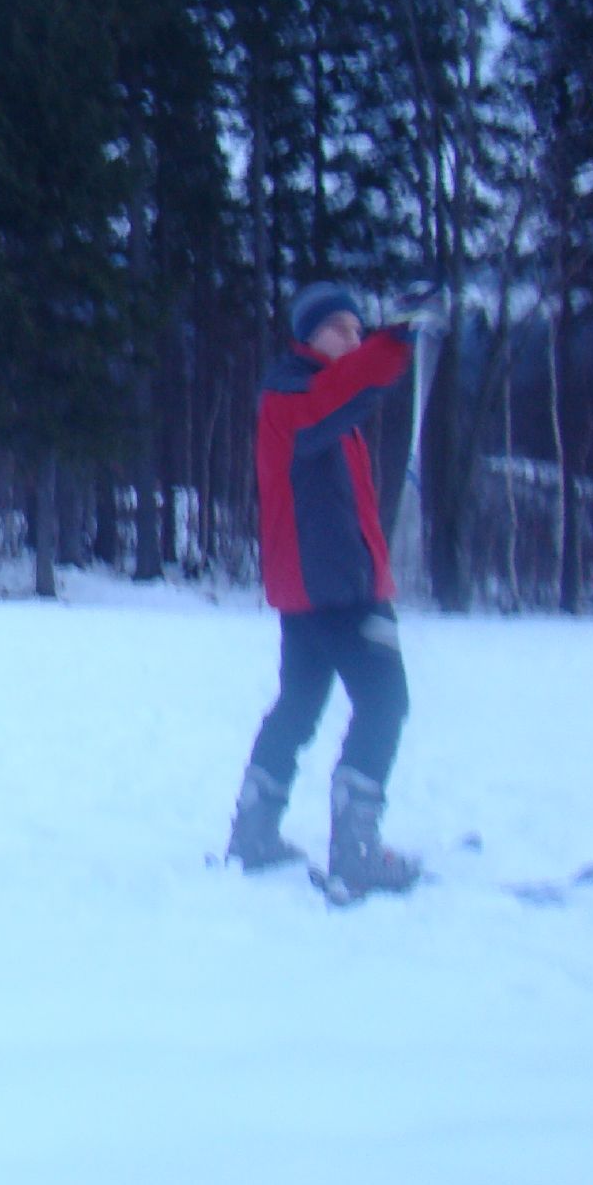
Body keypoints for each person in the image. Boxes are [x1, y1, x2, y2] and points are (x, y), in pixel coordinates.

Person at [224, 280, 442, 902]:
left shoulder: (315, 405)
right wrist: (396, 339)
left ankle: (255, 831)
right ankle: (356, 851)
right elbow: (344, 389)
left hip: (315, 588)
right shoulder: (296, 395)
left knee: (298, 705)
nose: (354, 337)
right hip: (337, 591)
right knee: (384, 703)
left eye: (357, 327)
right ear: (310, 334)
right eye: (342, 328)